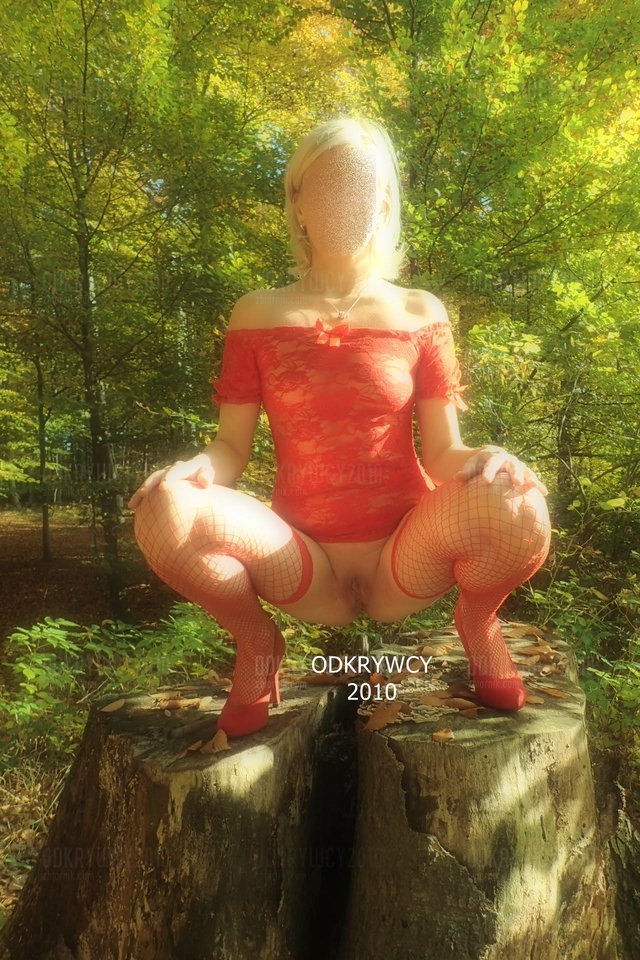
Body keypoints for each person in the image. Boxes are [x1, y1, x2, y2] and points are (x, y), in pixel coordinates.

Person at [127, 116, 552, 738]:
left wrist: (489, 457)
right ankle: (257, 641)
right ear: (297, 201)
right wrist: (195, 469)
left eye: (359, 186)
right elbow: (231, 448)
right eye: (326, 185)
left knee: (518, 503)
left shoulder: (420, 312)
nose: (342, 201)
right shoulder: (257, 313)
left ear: (384, 203)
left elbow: (444, 452)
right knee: (164, 509)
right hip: (300, 560)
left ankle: (478, 624)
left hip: (407, 552)